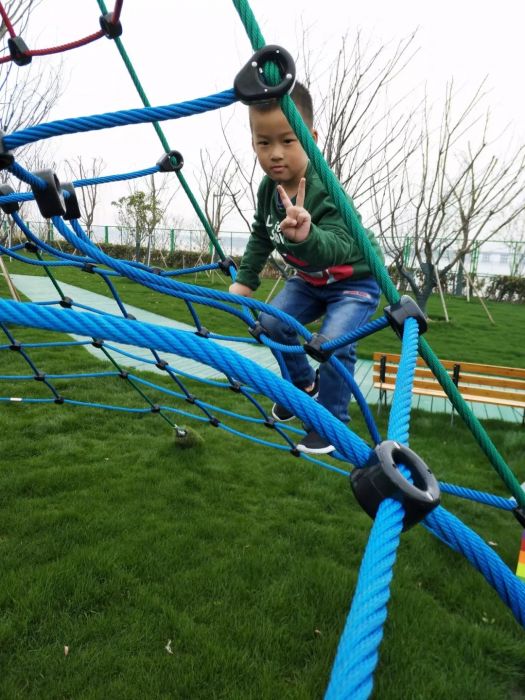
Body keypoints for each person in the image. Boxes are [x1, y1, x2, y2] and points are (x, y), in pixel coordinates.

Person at [229, 81, 384, 455]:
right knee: (271, 323)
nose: (275, 154)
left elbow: (342, 245)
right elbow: (261, 235)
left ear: (310, 139)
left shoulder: (324, 188)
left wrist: (307, 236)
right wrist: (246, 280)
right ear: (253, 144)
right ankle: (301, 387)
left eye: (288, 140)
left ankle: (330, 423)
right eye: (264, 143)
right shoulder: (268, 190)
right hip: (311, 280)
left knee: (332, 342)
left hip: (355, 282)